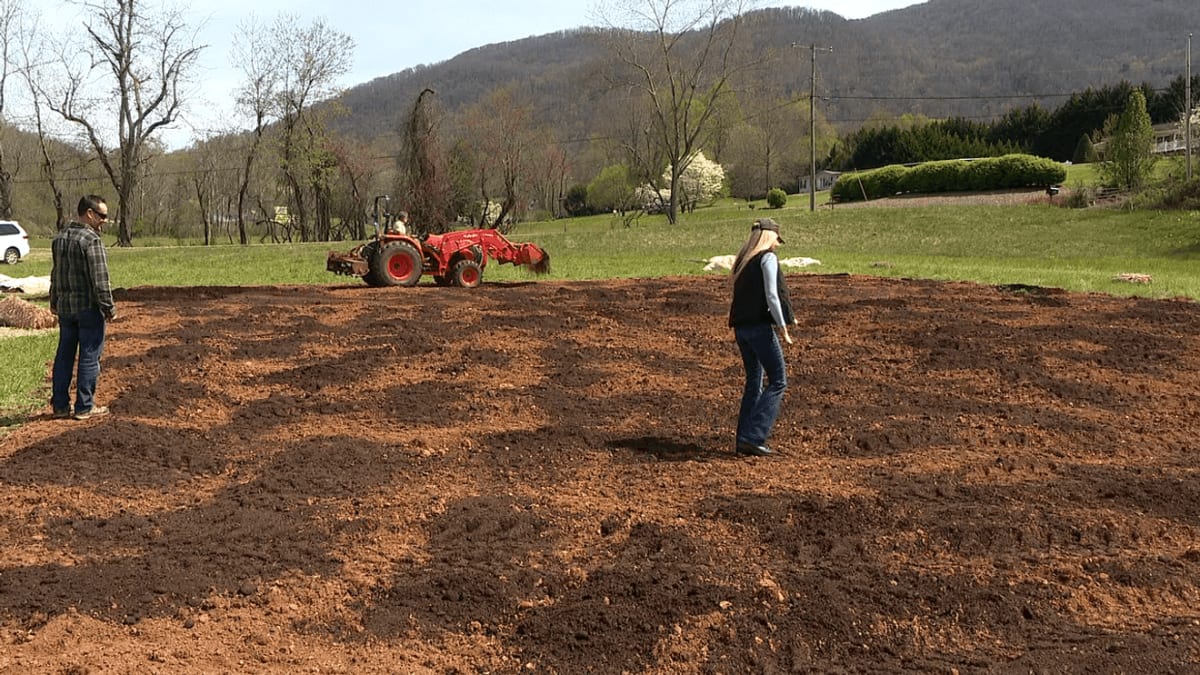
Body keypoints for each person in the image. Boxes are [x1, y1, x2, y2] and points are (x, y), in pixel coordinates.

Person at [727, 217, 797, 457]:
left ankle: (743, 439)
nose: (777, 245)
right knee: (778, 380)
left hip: (741, 329)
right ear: (770, 237)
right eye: (777, 240)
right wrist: (783, 326)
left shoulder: (742, 261)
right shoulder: (767, 257)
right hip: (759, 329)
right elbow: (772, 295)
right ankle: (754, 436)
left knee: (754, 381)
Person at [49, 195, 116, 421]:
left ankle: (59, 406)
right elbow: (100, 279)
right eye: (102, 216)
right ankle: (84, 407)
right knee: (89, 357)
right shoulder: (91, 240)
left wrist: (53, 301)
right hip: (88, 309)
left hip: (66, 310)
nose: (105, 220)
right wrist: (109, 308)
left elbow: (55, 274)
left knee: (64, 357)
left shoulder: (59, 238)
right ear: (89, 213)